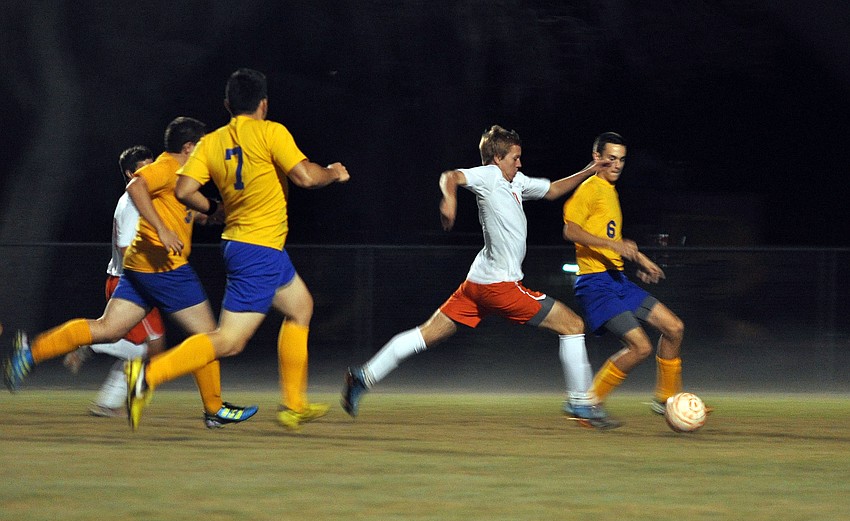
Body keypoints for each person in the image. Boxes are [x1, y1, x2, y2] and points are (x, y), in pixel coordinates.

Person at [341, 125, 620, 429]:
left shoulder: (517, 181)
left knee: (426, 334)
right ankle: (580, 401)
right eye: (515, 157)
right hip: (500, 286)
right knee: (572, 324)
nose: (520, 163)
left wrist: (590, 169)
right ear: (497, 158)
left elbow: (552, 190)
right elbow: (451, 177)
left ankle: (362, 377)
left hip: (478, 283)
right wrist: (449, 201)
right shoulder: (489, 176)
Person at [124, 68, 350, 432]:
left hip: (253, 246)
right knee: (228, 341)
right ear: (264, 103)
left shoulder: (212, 141)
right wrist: (333, 173)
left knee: (300, 308)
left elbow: (183, 191)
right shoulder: (272, 131)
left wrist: (214, 208)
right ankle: (148, 374)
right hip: (258, 250)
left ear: (228, 104)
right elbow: (306, 176)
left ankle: (294, 405)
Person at [4, 117, 258, 429]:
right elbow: (136, 185)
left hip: (139, 268)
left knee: (107, 328)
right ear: (189, 147)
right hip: (164, 268)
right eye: (202, 146)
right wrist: (163, 231)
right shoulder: (167, 168)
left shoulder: (182, 177)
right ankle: (212, 408)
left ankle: (31, 352)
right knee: (210, 338)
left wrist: (215, 213)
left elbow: (186, 209)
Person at [562, 131, 692, 416]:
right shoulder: (589, 188)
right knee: (640, 347)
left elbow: (616, 241)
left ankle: (665, 398)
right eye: (611, 159)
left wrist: (642, 261)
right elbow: (570, 230)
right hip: (595, 283)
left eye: (621, 159)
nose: (617, 165)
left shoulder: (610, 191)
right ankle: (586, 402)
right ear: (597, 158)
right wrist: (613, 245)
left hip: (617, 280)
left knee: (674, 328)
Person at [62, 145, 167, 418]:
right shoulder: (132, 202)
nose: (153, 170)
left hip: (130, 280)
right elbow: (125, 249)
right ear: (132, 173)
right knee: (151, 347)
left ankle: (107, 403)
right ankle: (90, 342)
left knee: (143, 349)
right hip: (129, 282)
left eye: (153, 164)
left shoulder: (145, 198)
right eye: (146, 165)